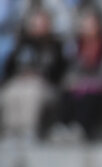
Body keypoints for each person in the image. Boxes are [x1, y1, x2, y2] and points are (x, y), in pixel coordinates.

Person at [0, 8, 66, 139]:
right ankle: (11, 130)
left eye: (42, 23)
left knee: (32, 92)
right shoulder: (22, 44)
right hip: (20, 83)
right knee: (10, 93)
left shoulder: (55, 45)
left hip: (45, 85)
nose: (39, 27)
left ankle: (28, 131)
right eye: (36, 23)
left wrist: (37, 74)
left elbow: (57, 72)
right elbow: (10, 69)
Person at [57, 6, 102, 140]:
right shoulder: (74, 46)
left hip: (98, 84)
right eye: (85, 24)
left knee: (88, 95)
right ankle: (64, 126)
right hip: (78, 82)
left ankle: (81, 128)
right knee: (68, 90)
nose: (88, 27)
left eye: (92, 24)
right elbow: (70, 68)